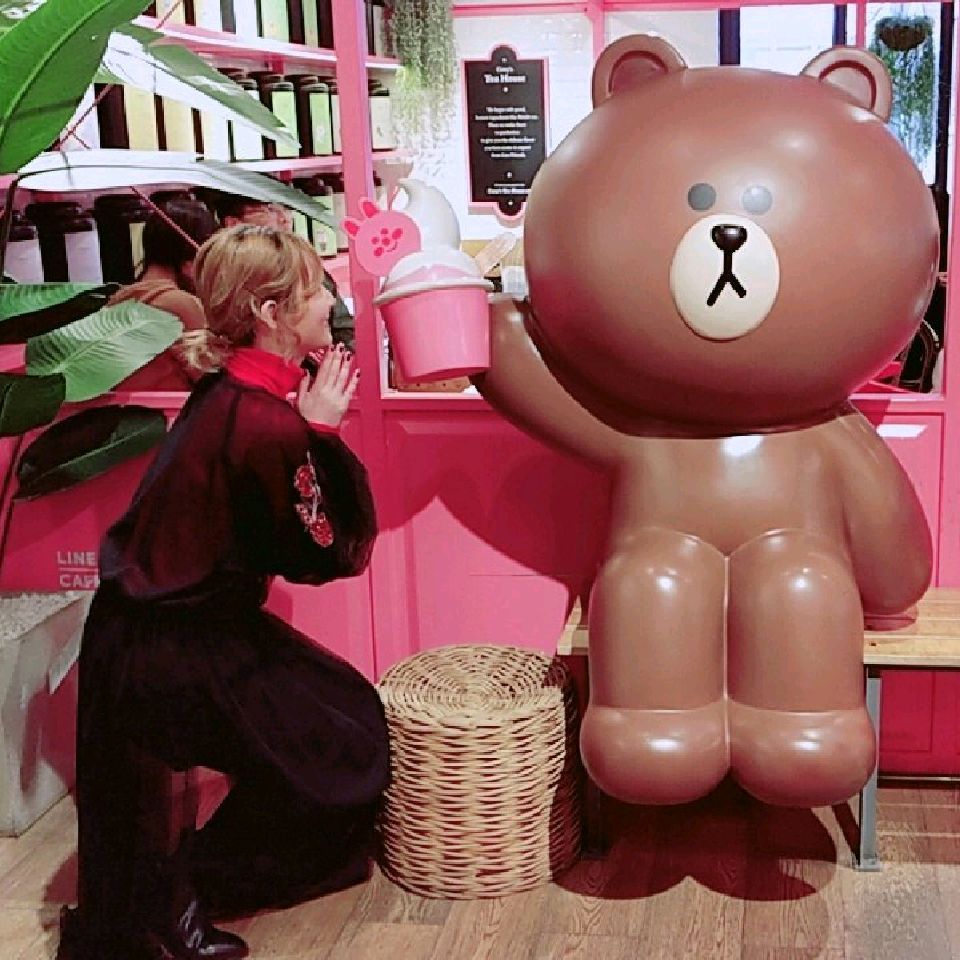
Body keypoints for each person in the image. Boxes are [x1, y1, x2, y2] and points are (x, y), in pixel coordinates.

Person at [61, 225, 388, 960]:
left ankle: (177, 886)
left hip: (158, 632)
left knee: (347, 715)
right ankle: (180, 892)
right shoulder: (264, 420)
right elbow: (324, 555)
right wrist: (321, 434)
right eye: (316, 291)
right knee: (341, 746)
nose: (329, 301)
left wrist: (310, 429)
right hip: (170, 648)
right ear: (271, 314)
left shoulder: (236, 391)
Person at [200, 188, 356, 351]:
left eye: (286, 208)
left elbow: (345, 332)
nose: (285, 219)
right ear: (233, 224)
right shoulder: (219, 281)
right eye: (270, 209)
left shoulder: (308, 269)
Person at [109, 197, 219, 391]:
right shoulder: (180, 304)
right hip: (170, 408)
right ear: (191, 259)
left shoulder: (118, 299)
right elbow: (210, 378)